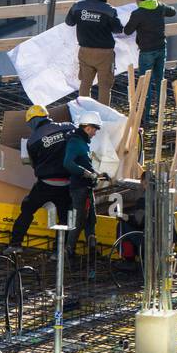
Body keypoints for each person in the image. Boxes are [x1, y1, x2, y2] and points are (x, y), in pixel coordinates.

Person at [6, 103, 76, 252]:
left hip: (46, 184)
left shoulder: (33, 141)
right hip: (67, 184)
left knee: (27, 210)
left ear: (32, 121)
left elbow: (34, 164)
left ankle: (15, 244)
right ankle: (58, 252)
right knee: (64, 218)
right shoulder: (68, 127)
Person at [122, 0, 177, 129]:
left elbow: (127, 31)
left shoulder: (138, 14)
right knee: (160, 81)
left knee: (145, 85)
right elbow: (173, 11)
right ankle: (160, 115)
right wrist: (161, 5)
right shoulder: (159, 7)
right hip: (161, 49)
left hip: (146, 52)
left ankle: (145, 119)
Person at [66, 0, 124, 105]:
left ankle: (83, 113)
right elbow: (118, 29)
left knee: (85, 83)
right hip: (105, 54)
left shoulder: (77, 6)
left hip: (85, 52)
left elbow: (69, 22)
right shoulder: (110, 10)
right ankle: (102, 118)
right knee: (104, 86)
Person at [64, 111, 104, 259]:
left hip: (86, 188)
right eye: (94, 129)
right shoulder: (75, 142)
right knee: (79, 221)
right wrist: (87, 174)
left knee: (91, 220)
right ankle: (69, 252)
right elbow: (68, 163)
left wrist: (97, 173)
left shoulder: (83, 143)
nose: (95, 133)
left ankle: (93, 250)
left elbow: (84, 163)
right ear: (87, 128)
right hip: (79, 189)